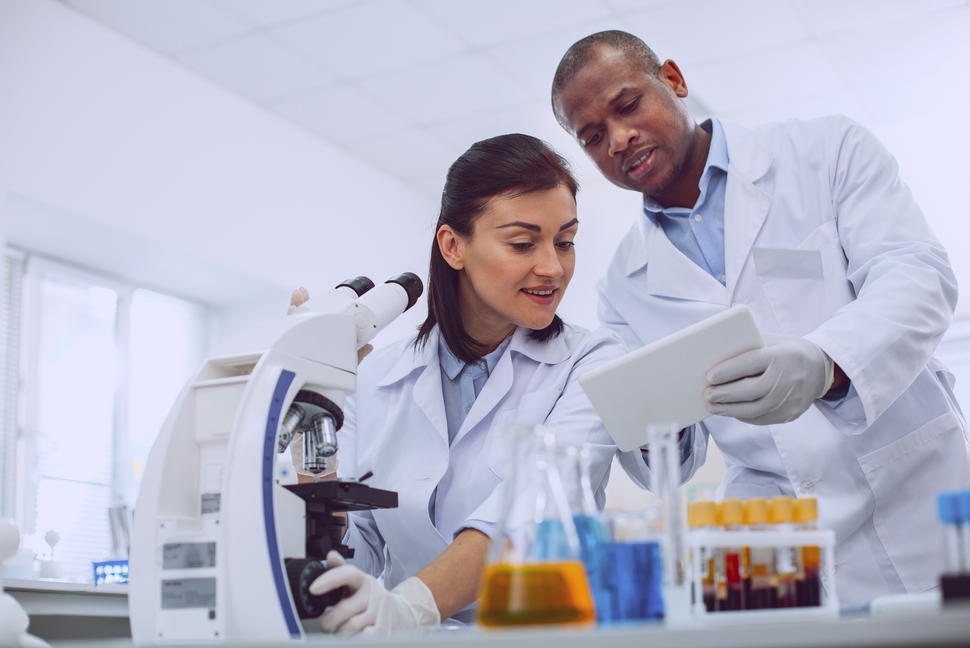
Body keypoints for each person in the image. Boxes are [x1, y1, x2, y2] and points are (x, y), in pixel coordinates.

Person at [551, 30, 970, 607]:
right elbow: (665, 458)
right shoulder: (623, 285)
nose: (619, 139)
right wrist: (659, 433)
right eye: (593, 136)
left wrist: (827, 364)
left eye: (627, 106)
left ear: (672, 80)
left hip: (915, 488)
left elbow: (918, 276)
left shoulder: (825, 151)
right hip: (775, 534)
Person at [287, 134, 654, 634]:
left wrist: (408, 606)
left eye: (565, 241)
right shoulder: (373, 378)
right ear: (453, 246)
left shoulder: (591, 362)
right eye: (523, 244)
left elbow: (529, 510)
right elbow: (358, 548)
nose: (552, 267)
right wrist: (312, 410)